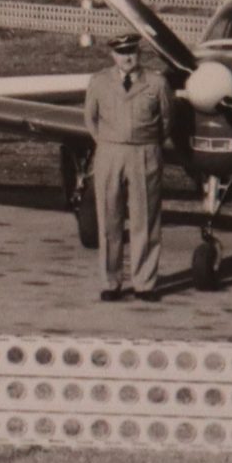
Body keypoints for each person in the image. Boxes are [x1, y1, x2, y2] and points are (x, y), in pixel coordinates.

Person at [84, 30, 171, 299]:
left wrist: (146, 143)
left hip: (144, 153)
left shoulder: (156, 84)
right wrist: (108, 143)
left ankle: (144, 283)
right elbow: (91, 119)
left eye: (131, 52)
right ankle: (111, 283)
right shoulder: (99, 82)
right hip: (110, 153)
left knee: (145, 219)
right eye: (121, 53)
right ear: (113, 55)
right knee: (110, 219)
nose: (127, 58)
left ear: (139, 53)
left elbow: (166, 122)